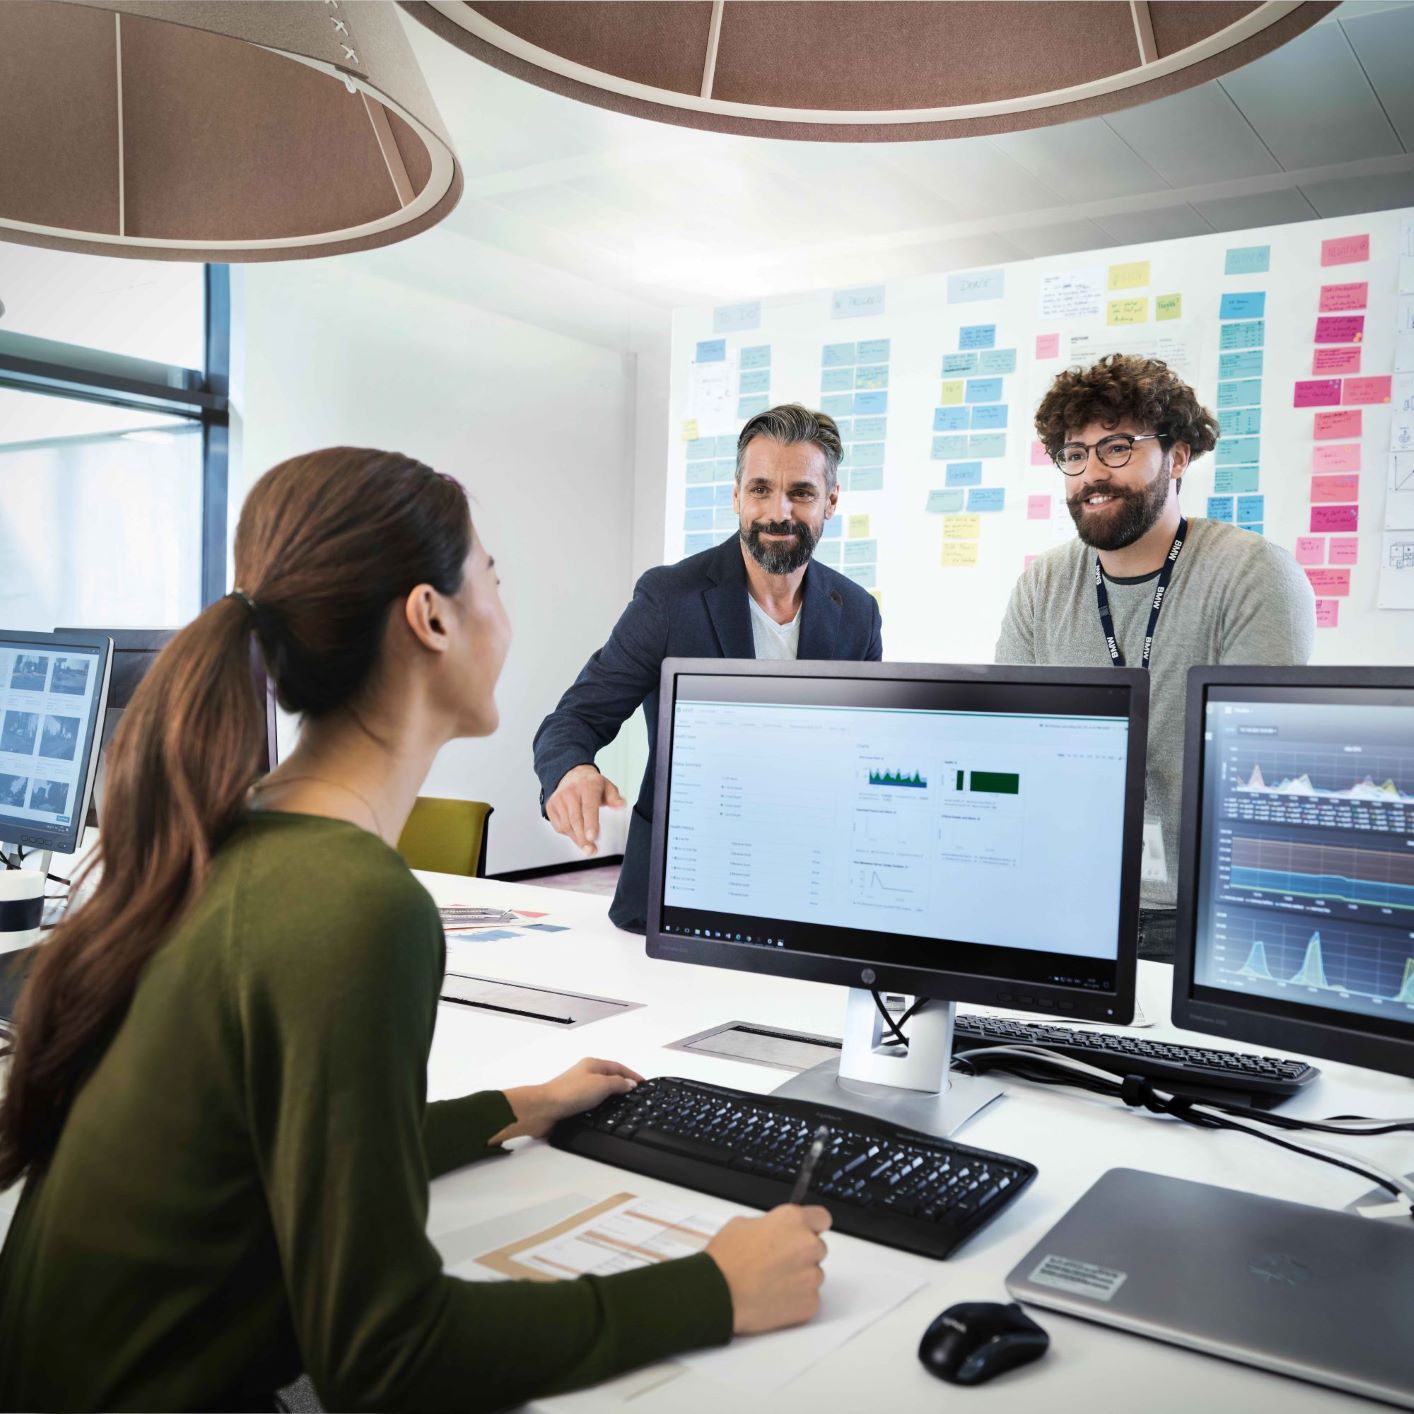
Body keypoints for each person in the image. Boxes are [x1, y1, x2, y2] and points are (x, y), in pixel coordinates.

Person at [0, 448, 831, 1412]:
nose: (505, 612)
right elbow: (389, 1358)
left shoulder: (239, 836)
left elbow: (299, 1149)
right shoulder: (355, 902)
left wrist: (513, 1107)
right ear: (430, 617)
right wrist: (715, 1288)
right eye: (494, 578)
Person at [996, 355, 1315, 962]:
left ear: (1177, 456)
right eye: (1074, 454)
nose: (1092, 473)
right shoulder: (1042, 587)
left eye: (1117, 448)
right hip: (1068, 906)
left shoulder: (1254, 577)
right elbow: (1017, 752)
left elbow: (1266, 786)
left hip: (1205, 919)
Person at [535, 404, 884, 932]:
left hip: (809, 888)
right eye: (761, 489)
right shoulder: (669, 598)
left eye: (802, 493)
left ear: (831, 500)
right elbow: (573, 719)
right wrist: (572, 770)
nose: (778, 512)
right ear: (736, 495)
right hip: (677, 889)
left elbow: (867, 753)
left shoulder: (857, 612)